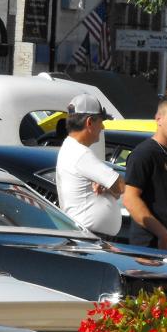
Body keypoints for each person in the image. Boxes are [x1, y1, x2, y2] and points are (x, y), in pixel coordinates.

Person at [122, 97, 167, 249]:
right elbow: (130, 199)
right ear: (158, 119)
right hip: (148, 246)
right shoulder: (143, 154)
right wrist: (162, 234)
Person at [55, 92, 123, 237]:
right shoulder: (80, 154)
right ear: (89, 122)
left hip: (85, 234)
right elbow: (120, 185)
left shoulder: (71, 149)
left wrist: (105, 185)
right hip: (89, 237)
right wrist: (111, 188)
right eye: (101, 121)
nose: (103, 127)